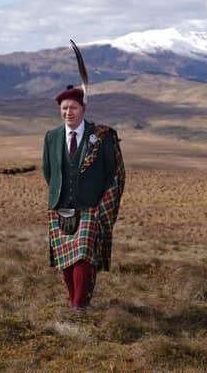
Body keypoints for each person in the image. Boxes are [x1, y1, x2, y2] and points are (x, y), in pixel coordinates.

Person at [42, 85, 125, 311]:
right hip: (61, 207)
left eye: (73, 108)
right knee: (65, 262)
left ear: (83, 109)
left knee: (82, 257)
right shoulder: (52, 137)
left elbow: (113, 172)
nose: (68, 112)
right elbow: (49, 171)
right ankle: (75, 301)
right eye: (64, 108)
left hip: (91, 207)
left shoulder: (101, 136)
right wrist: (61, 194)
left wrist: (103, 204)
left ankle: (79, 307)